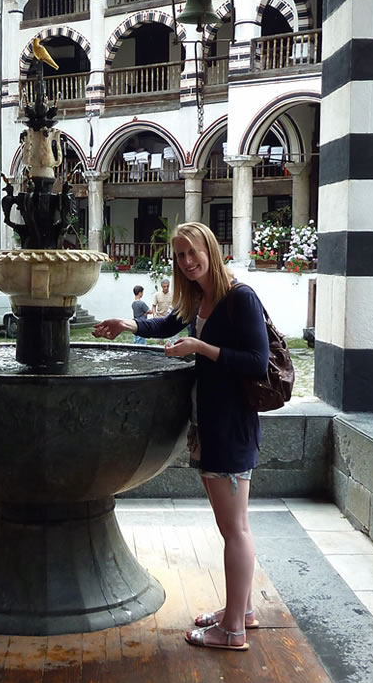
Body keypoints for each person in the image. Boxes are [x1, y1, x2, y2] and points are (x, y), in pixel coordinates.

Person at [92, 222, 268, 651]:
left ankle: (232, 632)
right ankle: (239, 611)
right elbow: (166, 325)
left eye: (192, 252)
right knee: (233, 527)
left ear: (210, 249)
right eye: (180, 256)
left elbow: (257, 362)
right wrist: (126, 326)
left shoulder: (238, 298)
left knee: (235, 530)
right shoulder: (198, 299)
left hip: (230, 427)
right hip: (211, 423)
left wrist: (200, 349)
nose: (187, 262)